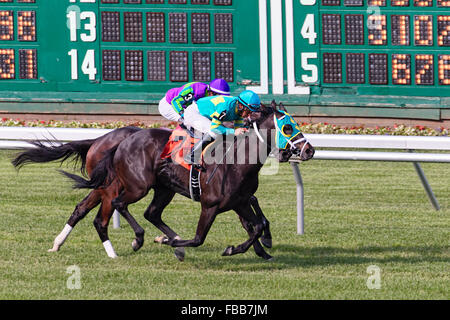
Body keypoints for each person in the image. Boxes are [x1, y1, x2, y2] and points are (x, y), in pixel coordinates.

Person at [183, 89, 261, 169]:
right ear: (241, 106)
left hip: (204, 114)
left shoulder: (239, 109)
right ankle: (192, 155)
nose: (249, 115)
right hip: (193, 113)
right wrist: (234, 131)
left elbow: (238, 128)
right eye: (248, 111)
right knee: (214, 132)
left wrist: (243, 130)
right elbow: (215, 128)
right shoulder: (226, 107)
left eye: (251, 113)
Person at [158, 79, 230, 123]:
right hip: (169, 105)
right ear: (211, 93)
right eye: (219, 96)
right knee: (191, 121)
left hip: (183, 105)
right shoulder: (196, 91)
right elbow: (175, 102)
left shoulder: (208, 94)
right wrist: (184, 115)